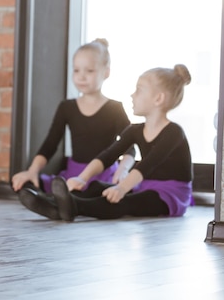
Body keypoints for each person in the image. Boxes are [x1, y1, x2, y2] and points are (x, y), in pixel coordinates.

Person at [21, 64, 193, 221]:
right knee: (96, 186)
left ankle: (75, 206)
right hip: (144, 186)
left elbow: (147, 165)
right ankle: (53, 204)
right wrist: (82, 178)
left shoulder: (174, 133)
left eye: (139, 90)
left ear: (158, 99)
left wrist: (121, 188)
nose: (132, 95)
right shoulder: (135, 130)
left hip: (171, 195)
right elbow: (108, 156)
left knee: (124, 201)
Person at [11, 39, 135, 219]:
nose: (81, 76)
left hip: (104, 176)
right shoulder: (67, 107)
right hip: (73, 174)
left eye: (89, 71)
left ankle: (56, 204)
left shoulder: (114, 108)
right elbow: (50, 144)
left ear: (106, 72)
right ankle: (61, 203)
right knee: (21, 183)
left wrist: (122, 170)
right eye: (76, 70)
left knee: (97, 191)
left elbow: (130, 146)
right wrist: (32, 171)